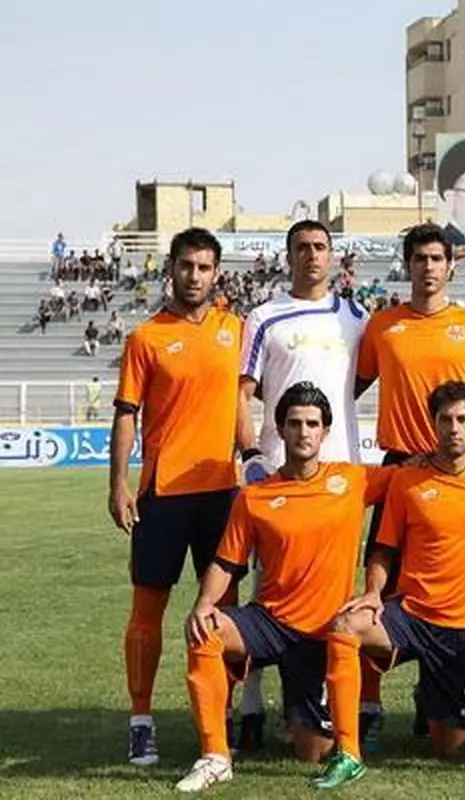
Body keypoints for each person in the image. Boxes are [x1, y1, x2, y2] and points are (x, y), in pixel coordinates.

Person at [174, 383, 395, 792]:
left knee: (313, 751)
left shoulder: (353, 480)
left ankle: (298, 718)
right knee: (206, 632)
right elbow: (227, 562)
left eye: (312, 424)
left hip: (325, 632)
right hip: (269, 621)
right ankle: (215, 756)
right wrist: (204, 603)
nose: (303, 432)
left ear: (325, 431)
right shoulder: (255, 497)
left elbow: (416, 474)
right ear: (280, 430)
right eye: (294, 423)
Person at [354, 223, 465, 748]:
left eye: (437, 258)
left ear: (451, 265)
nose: (428, 267)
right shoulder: (384, 325)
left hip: (458, 472)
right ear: (408, 264)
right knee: (387, 586)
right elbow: (352, 385)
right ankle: (369, 704)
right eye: (419, 258)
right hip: (403, 468)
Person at [325, 382, 465, 777]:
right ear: (433, 424)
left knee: (453, 751)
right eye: (445, 420)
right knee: (346, 626)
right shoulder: (408, 480)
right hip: (411, 615)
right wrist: (373, 593)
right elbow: (383, 550)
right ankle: (348, 752)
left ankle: (430, 697)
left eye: (462, 419)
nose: (454, 428)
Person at [233, 220, 369, 750]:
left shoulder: (356, 317)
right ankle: (250, 703)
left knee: (338, 590)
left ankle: (333, 705)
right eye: (302, 248)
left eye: (320, 247)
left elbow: (357, 383)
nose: (312, 255)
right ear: (288, 256)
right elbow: (241, 392)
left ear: (333, 256)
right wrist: (251, 454)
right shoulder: (264, 316)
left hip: (339, 477)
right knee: (266, 587)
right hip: (279, 474)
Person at [108, 227, 242, 767]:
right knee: (148, 610)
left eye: (204, 267)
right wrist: (118, 483)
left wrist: (253, 456)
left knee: (222, 612)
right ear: (171, 269)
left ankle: (222, 718)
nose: (195, 276)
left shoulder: (234, 329)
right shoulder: (146, 338)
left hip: (223, 494)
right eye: (186, 265)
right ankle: (141, 720)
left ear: (217, 273)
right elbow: (126, 414)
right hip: (162, 495)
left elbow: (242, 401)